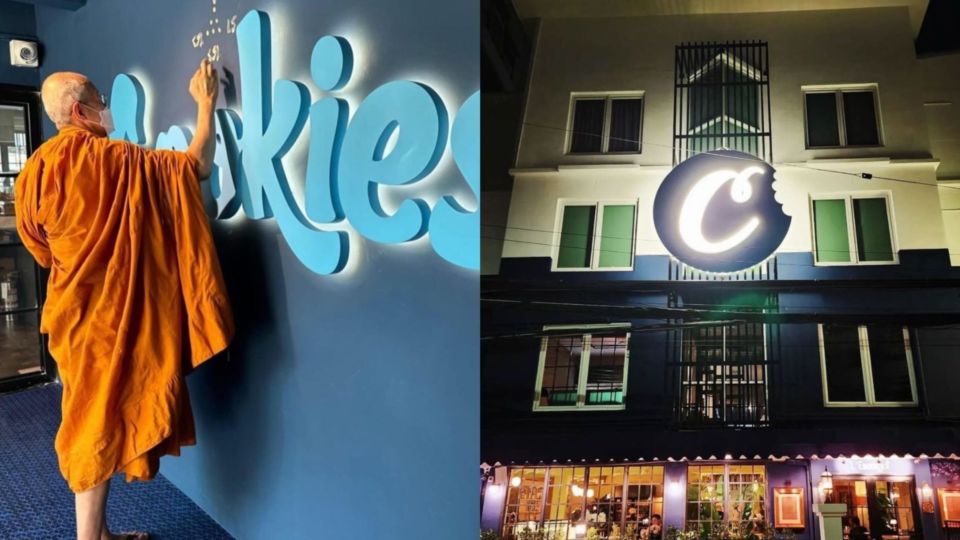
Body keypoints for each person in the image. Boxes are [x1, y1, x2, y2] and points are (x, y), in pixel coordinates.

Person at [14, 60, 235, 540]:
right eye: (100, 100)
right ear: (80, 110)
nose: (106, 110)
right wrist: (205, 103)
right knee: (94, 428)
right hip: (115, 320)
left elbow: (40, 249)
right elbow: (195, 166)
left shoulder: (33, 172)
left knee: (91, 420)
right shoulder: (121, 161)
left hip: (74, 318)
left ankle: (100, 534)